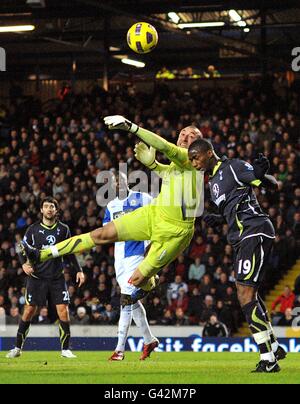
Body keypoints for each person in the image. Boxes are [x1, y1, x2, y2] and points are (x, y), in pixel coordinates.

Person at [20, 117, 205, 305]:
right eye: (183, 134)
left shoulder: (189, 159)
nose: (186, 137)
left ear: (199, 146)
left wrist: (132, 127)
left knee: (138, 281)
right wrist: (153, 165)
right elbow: (168, 173)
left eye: (192, 137)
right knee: (101, 234)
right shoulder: (179, 163)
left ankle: (150, 283)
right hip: (154, 214)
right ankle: (41, 254)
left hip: (175, 232)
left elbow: (164, 146)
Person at [188, 138, 286, 373]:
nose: (193, 163)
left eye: (196, 157)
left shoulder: (232, 166)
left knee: (244, 294)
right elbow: (237, 205)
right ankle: (274, 346)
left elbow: (271, 185)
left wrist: (262, 175)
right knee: (249, 292)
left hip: (255, 230)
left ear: (209, 153)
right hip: (243, 236)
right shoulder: (212, 183)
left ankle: (268, 359)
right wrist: (220, 218)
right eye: (191, 159)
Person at [7, 197, 84, 359]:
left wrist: (78, 270)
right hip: (37, 277)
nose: (49, 209)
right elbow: (21, 247)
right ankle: (17, 348)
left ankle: (65, 349)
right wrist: (23, 264)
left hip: (57, 278)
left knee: (63, 311)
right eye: (46, 206)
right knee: (28, 311)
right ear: (41, 210)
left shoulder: (63, 229)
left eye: (52, 206)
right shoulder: (33, 229)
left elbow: (69, 251)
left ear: (56, 210)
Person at [104, 172, 158, 361]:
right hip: (120, 258)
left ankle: (119, 350)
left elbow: (159, 216)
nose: (118, 183)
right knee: (132, 301)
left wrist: (153, 243)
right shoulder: (111, 206)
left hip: (138, 253)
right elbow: (107, 231)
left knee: (126, 298)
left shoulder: (143, 198)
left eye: (121, 179)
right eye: (114, 181)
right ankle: (149, 339)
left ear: (127, 181)